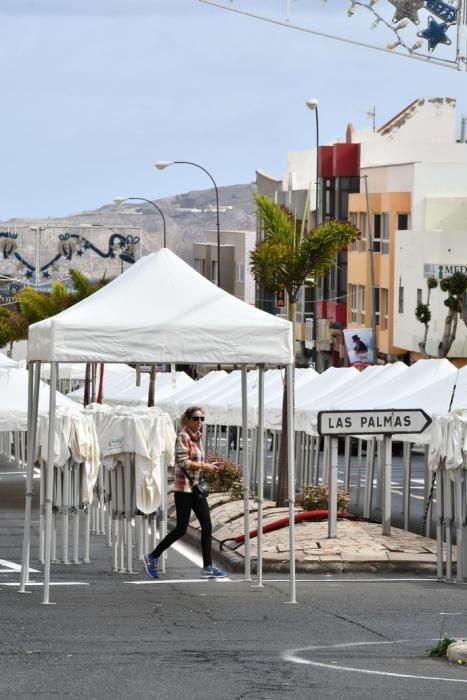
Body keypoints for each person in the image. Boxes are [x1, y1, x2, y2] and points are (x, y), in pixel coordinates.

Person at [143, 406, 228, 579]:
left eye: (202, 419)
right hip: (184, 490)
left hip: (195, 489)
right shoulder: (183, 436)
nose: (199, 422)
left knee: (207, 526)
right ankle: (152, 556)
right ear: (187, 420)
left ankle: (207, 567)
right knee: (181, 528)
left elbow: (197, 461)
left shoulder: (198, 437)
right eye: (196, 418)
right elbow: (183, 462)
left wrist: (211, 465)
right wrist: (206, 466)